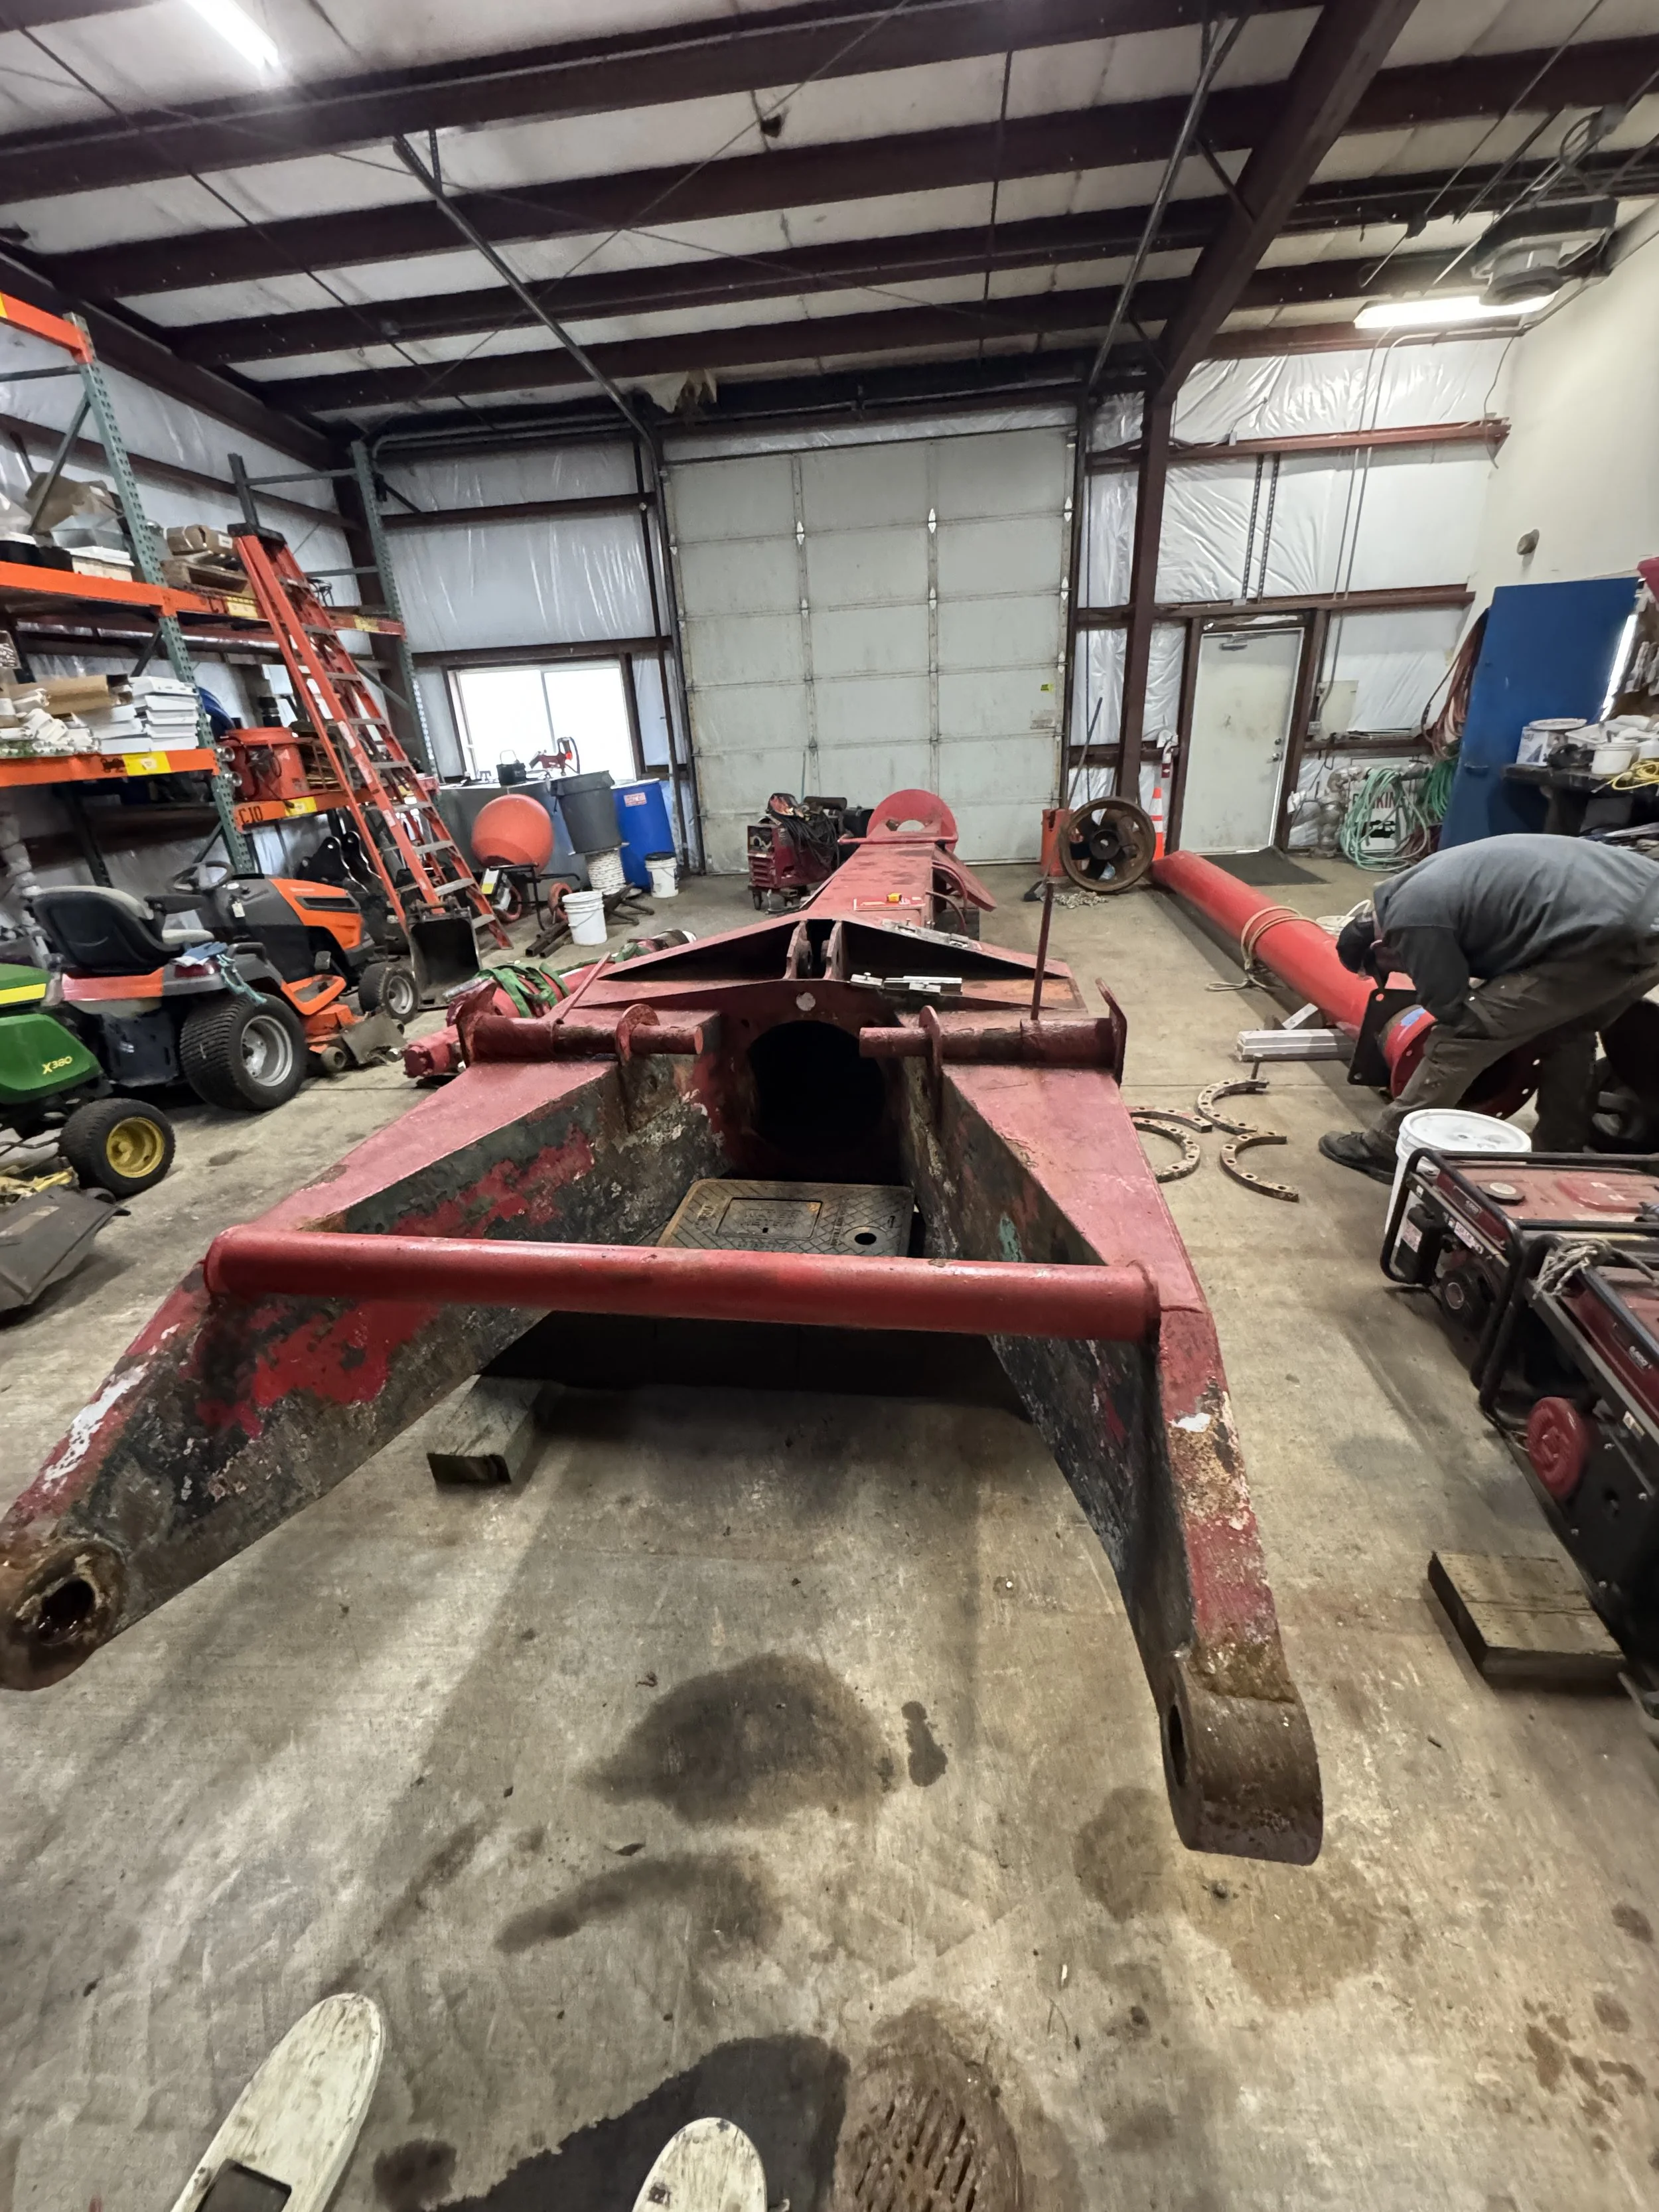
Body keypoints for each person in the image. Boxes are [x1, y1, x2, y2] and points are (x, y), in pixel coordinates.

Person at [1319, 834, 1659, 1182]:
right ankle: (1561, 1149)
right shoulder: (1421, 884)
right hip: (1645, 914)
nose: (1403, 971)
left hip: (1608, 933)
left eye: (1389, 968)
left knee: (1465, 1035)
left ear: (1380, 946)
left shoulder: (1411, 918)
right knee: (1566, 1030)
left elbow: (1447, 1003)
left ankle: (1386, 1148)